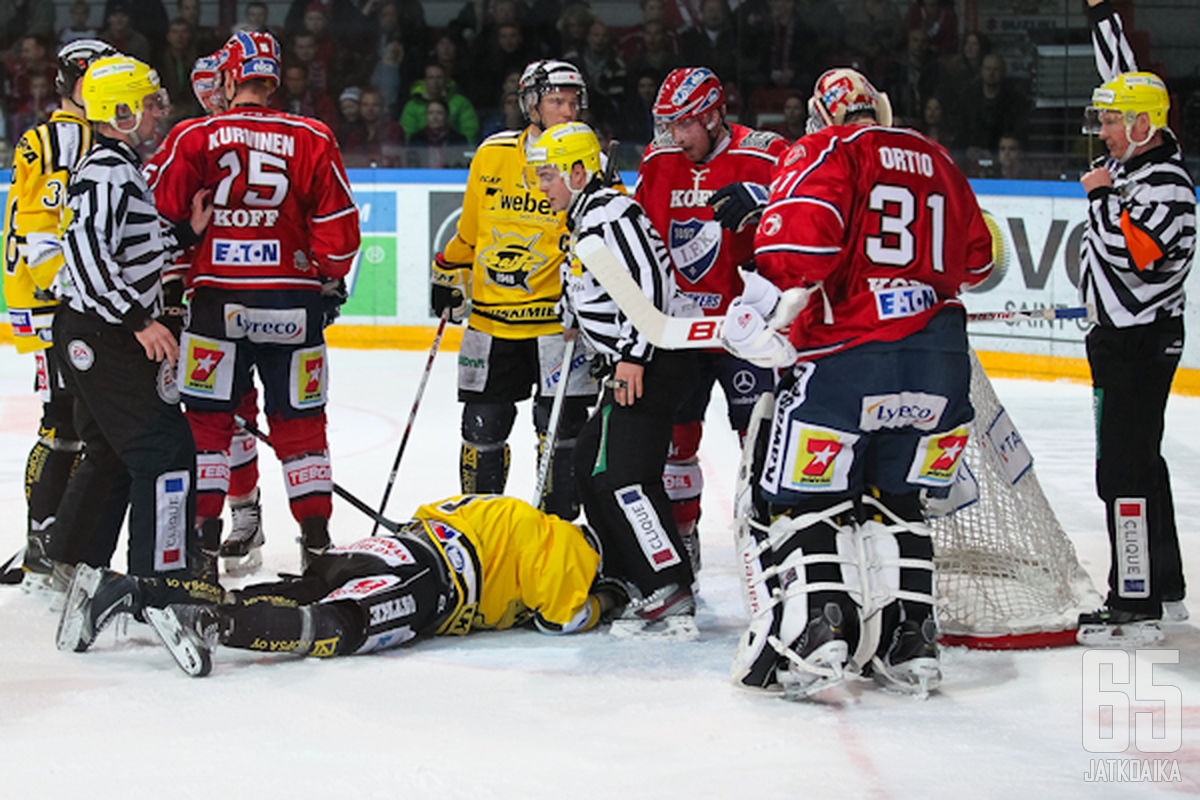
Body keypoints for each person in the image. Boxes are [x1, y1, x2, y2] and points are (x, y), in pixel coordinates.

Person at [712, 68, 993, 698]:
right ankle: (912, 640)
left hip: (846, 365)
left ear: (820, 115)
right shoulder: (936, 156)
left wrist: (770, 300)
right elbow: (978, 260)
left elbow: (798, 253)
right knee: (902, 504)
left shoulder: (828, 150)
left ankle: (820, 633)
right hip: (941, 367)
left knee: (800, 502)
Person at [147, 31, 361, 572]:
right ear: (272, 78)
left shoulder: (194, 135)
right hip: (292, 304)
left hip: (217, 306)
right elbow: (338, 229)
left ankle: (203, 547)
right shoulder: (311, 135)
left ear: (227, 78)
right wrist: (327, 283)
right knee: (302, 425)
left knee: (209, 425)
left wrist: (176, 275)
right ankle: (316, 544)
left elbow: (160, 214)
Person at [52, 53, 220, 656]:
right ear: (120, 114)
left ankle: (78, 568)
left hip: (92, 330)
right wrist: (139, 320)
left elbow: (123, 247)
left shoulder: (120, 168)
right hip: (101, 331)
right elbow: (88, 257)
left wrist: (183, 233)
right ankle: (160, 587)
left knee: (113, 452)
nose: (160, 113)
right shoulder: (107, 172)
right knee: (165, 450)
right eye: (150, 105)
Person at [112, 494, 617, 677]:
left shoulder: (508, 511)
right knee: (340, 626)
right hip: (426, 583)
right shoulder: (572, 546)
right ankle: (211, 624)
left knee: (304, 589)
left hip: (389, 548)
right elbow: (563, 620)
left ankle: (134, 592)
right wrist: (607, 600)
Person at [529, 121, 699, 634]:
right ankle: (628, 573)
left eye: (549, 175)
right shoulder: (587, 217)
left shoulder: (612, 212)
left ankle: (667, 582)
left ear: (579, 172)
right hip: (638, 357)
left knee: (623, 474)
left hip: (655, 360)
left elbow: (649, 286)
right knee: (588, 465)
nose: (542, 187)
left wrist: (633, 356)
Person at [634, 67, 788, 572]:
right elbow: (641, 241)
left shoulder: (766, 155)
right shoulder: (658, 161)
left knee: (762, 443)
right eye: (669, 125)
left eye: (686, 125)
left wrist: (765, 201)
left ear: (716, 115)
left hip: (747, 330)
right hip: (680, 331)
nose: (676, 138)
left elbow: (813, 206)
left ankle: (768, 542)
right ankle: (682, 543)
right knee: (677, 446)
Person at [431, 59, 599, 520]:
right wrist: (446, 269)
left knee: (560, 433)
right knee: (482, 431)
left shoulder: (591, 161)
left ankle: (554, 533)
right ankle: (482, 529)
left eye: (572, 103)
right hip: (490, 324)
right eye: (555, 102)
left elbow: (602, 238)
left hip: (558, 330)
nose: (566, 112)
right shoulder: (493, 154)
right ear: (531, 105)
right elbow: (470, 231)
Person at [1075, 0, 1195, 642]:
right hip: (1126, 340)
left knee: (1121, 470)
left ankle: (1134, 601)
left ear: (1147, 126)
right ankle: (1164, 586)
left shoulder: (1164, 182)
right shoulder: (1140, 166)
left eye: (1117, 120)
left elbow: (1138, 257)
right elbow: (1122, 71)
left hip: (1137, 343)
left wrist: (1097, 198)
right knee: (1142, 463)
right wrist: (1100, 13)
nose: (1106, 129)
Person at [0, 39, 116, 588]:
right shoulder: (68, 137)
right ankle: (45, 540)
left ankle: (47, 538)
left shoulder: (54, 134)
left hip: (49, 296)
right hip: (58, 299)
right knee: (66, 423)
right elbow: (45, 221)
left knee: (68, 421)